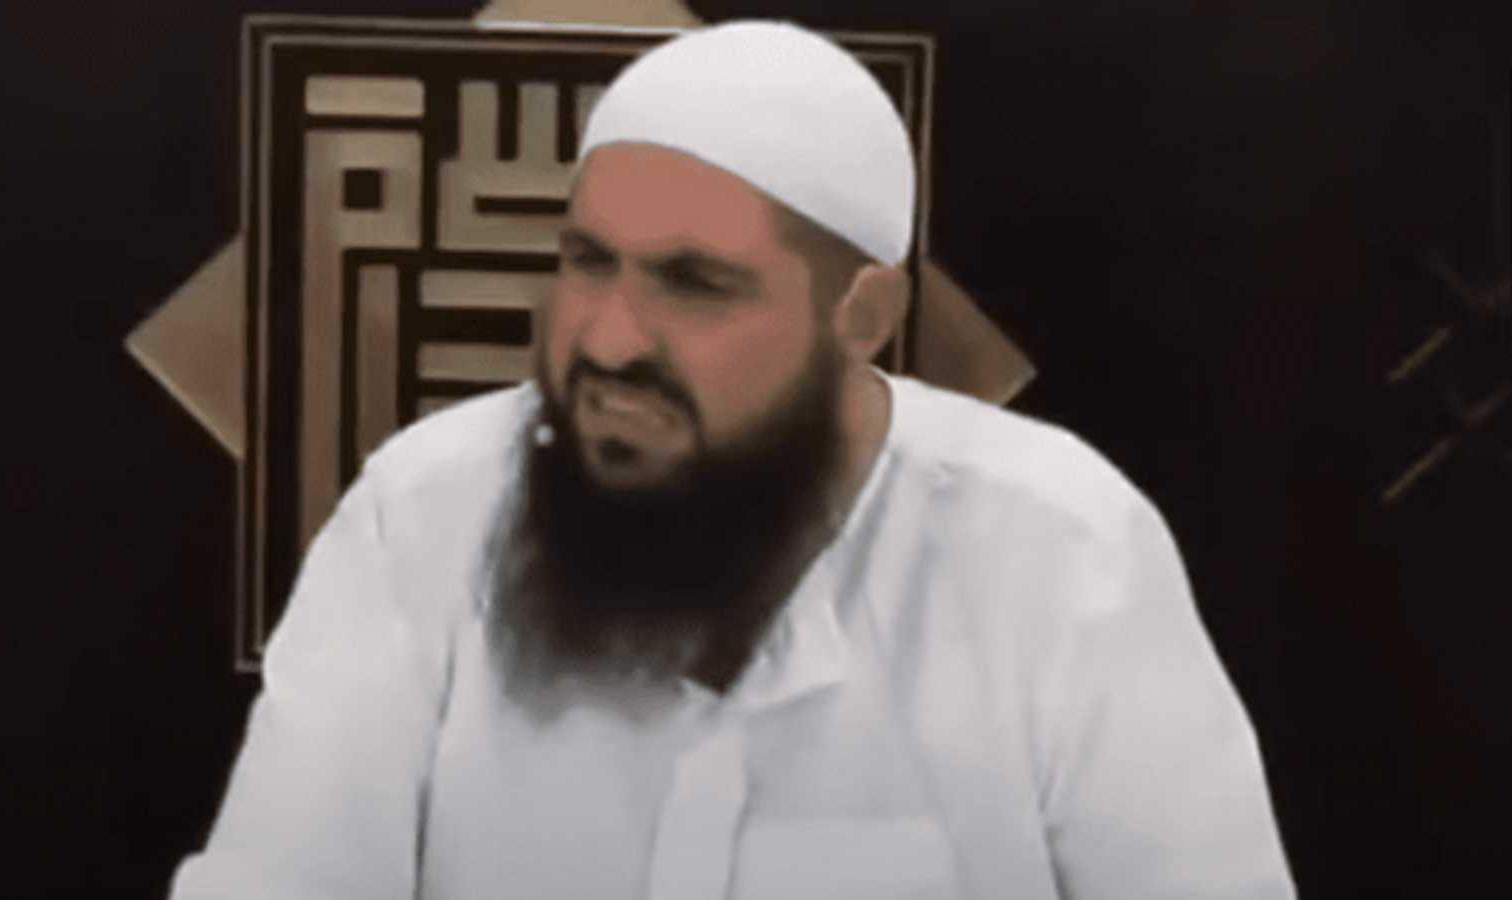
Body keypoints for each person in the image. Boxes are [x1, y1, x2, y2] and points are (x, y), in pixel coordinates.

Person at [170, 20, 1296, 900]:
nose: (607, 339)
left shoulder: (1060, 548)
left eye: (694, 283)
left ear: (863, 317)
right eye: (587, 261)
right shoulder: (425, 514)